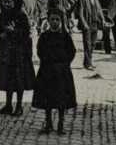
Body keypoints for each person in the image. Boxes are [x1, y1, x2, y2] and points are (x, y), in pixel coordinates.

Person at [32, 8, 76, 136]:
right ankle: (49, 123)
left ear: (61, 21)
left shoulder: (65, 36)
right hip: (47, 71)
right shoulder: (44, 36)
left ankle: (61, 124)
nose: (55, 22)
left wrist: (64, 63)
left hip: (62, 72)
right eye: (52, 19)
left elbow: (71, 51)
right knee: (47, 98)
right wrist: (46, 61)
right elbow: (40, 50)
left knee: (61, 98)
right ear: (48, 21)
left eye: (57, 20)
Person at [0, 0, 35, 116]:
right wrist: (1, 36)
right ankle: (8, 105)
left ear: (15, 2)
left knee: (19, 79)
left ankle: (19, 105)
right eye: (5, 2)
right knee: (7, 78)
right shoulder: (1, 16)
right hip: (6, 51)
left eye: (9, 2)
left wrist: (13, 31)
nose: (6, 4)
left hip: (19, 52)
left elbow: (26, 34)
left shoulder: (21, 16)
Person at [76, 0, 104, 71]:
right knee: (87, 45)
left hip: (95, 23)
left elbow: (99, 10)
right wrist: (84, 23)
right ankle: (88, 64)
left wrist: (102, 19)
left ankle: (88, 62)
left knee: (92, 44)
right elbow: (80, 12)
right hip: (87, 24)